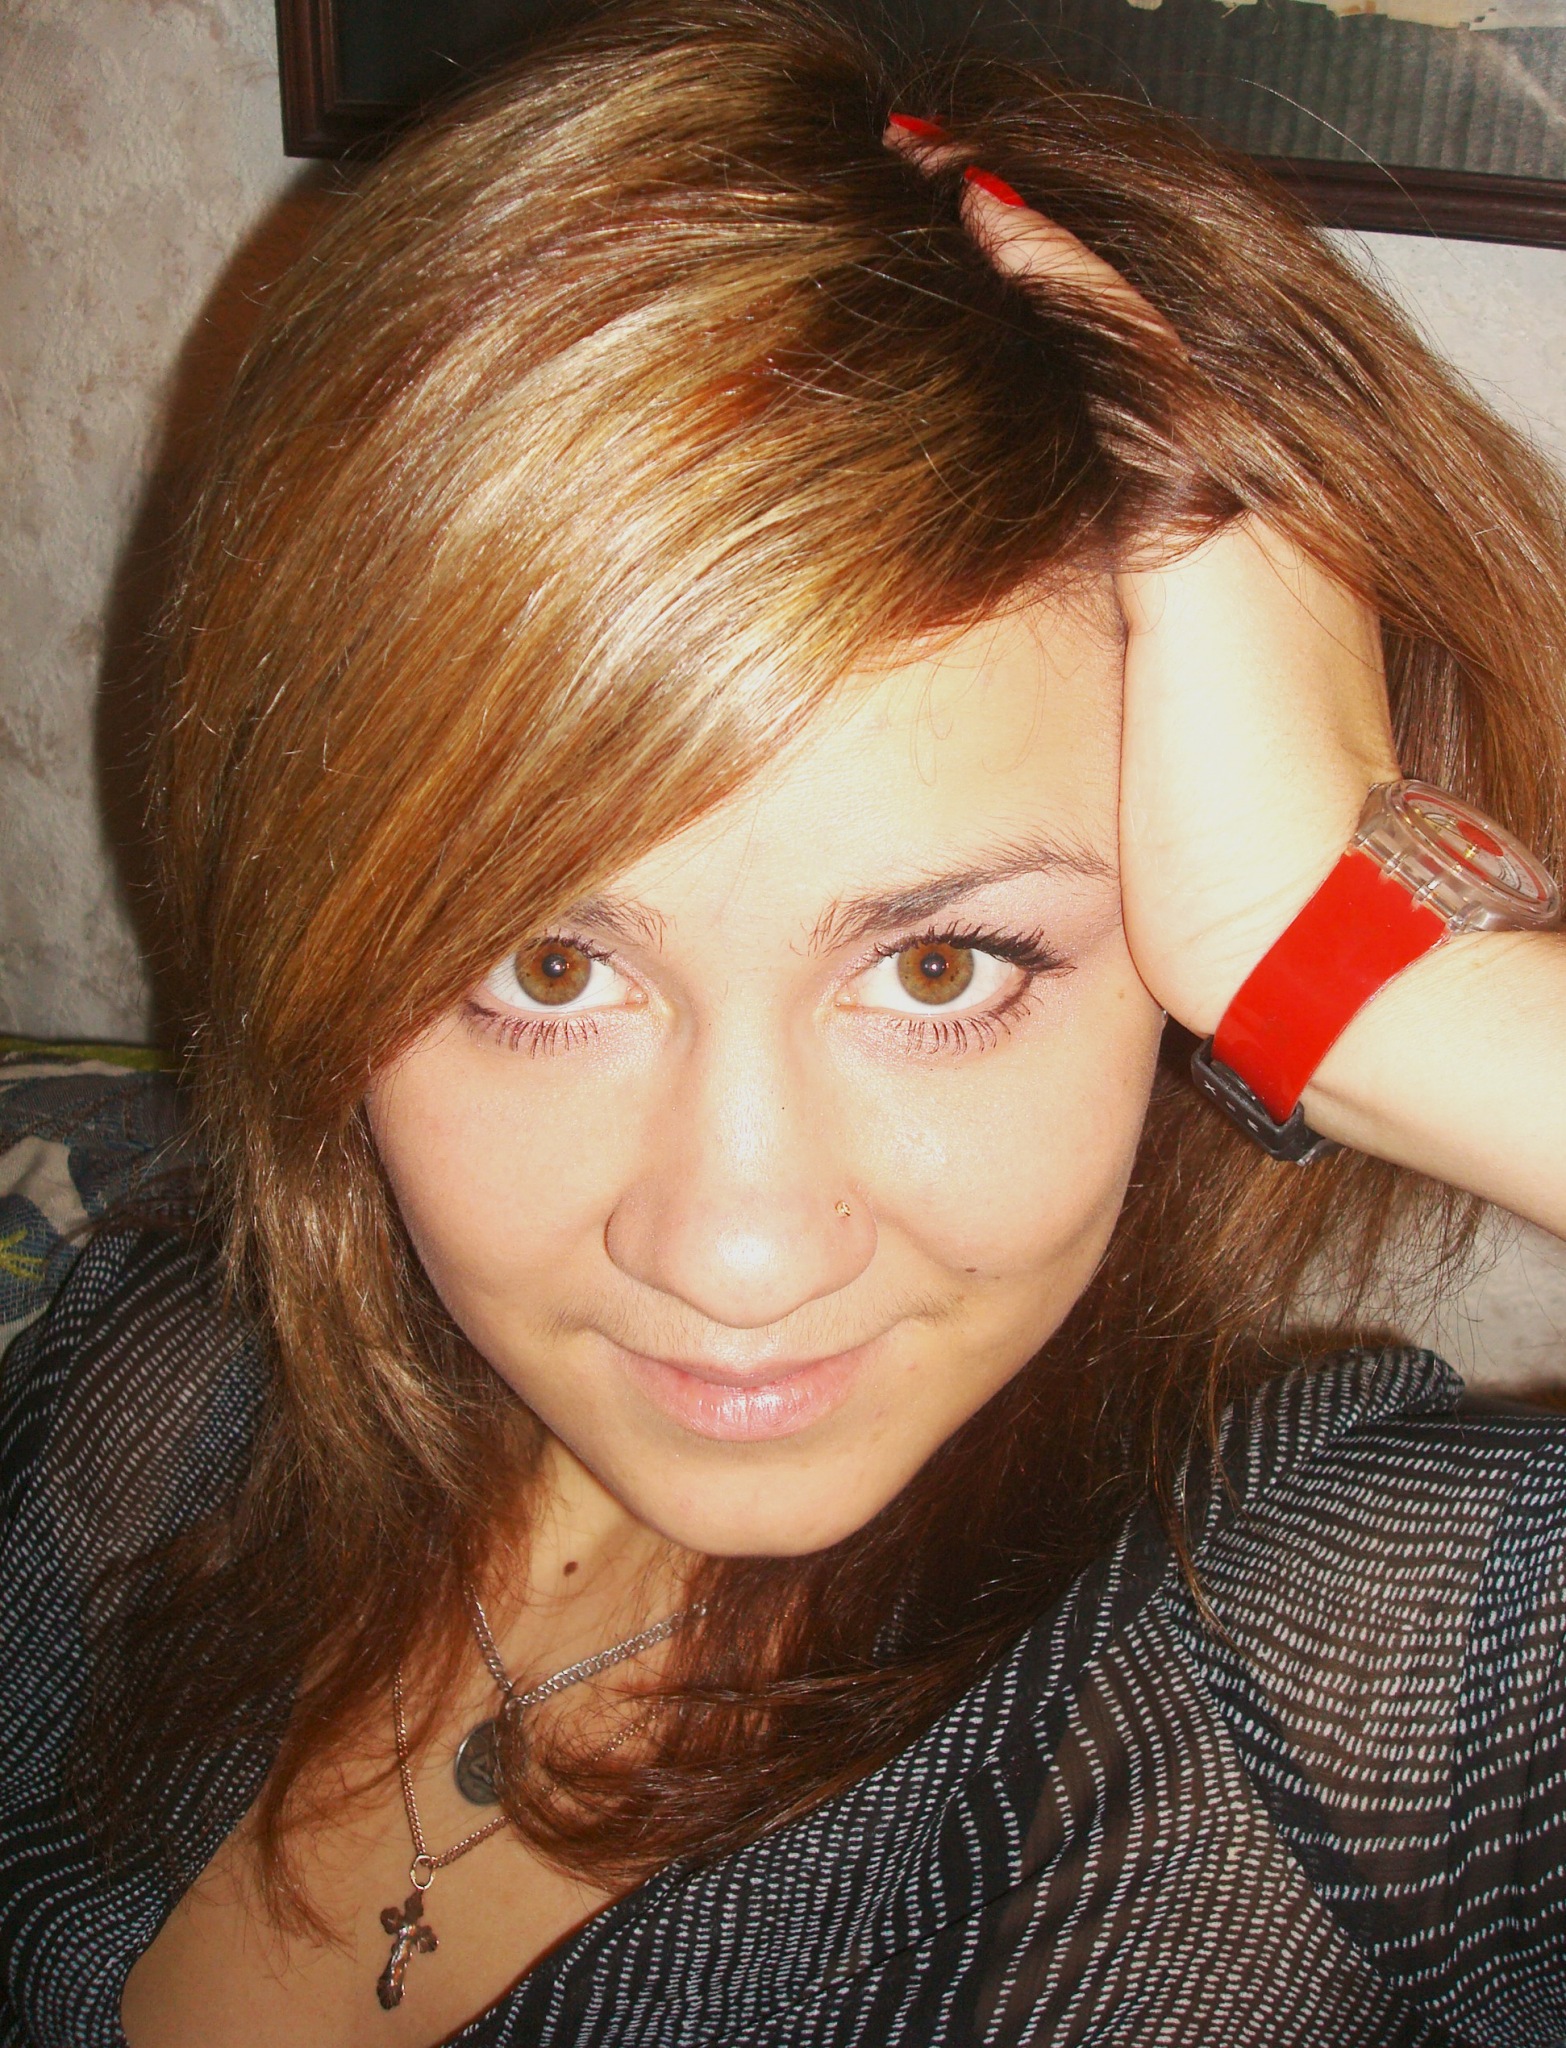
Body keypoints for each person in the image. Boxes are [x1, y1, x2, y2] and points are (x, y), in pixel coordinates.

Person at [5, 1, 1566, 2040]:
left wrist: (1370, 966)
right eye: (546, 969)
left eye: (941, 969)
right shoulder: (158, 1400)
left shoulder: (1354, 1670)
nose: (733, 1249)